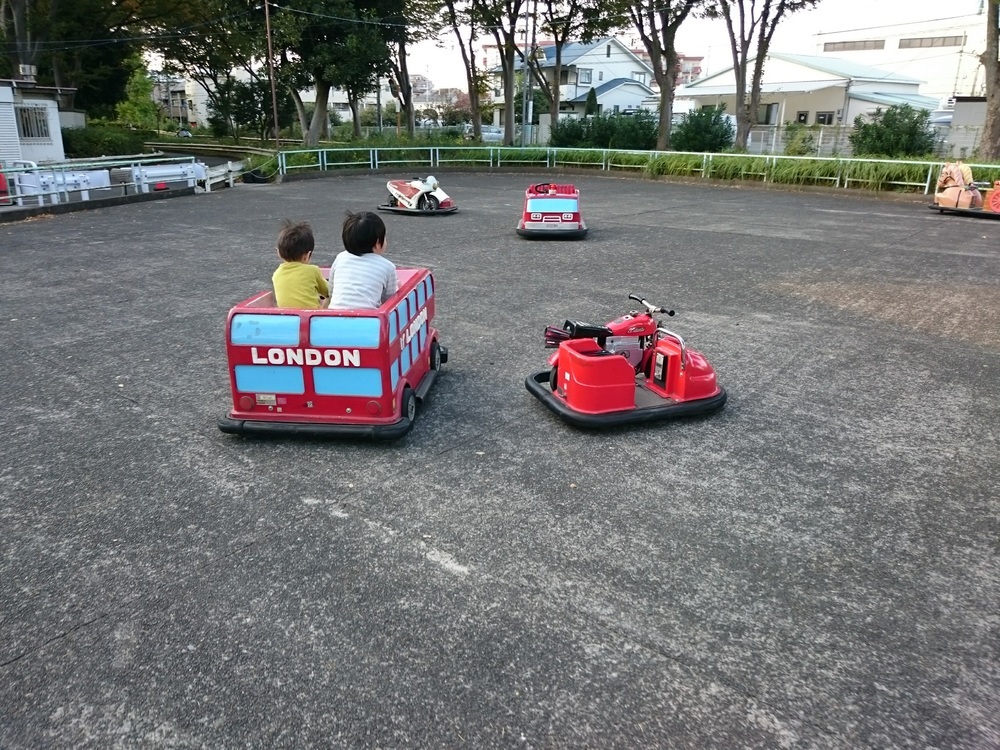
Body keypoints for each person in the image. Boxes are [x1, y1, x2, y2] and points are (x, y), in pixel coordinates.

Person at [328, 210, 398, 310]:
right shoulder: (387, 267)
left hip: (334, 317)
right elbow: (391, 302)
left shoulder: (340, 258)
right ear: (378, 242)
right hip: (368, 320)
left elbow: (331, 291)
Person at [272, 219, 329, 309]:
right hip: (312, 317)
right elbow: (328, 291)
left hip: (287, 317)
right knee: (333, 294)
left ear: (278, 253)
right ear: (307, 255)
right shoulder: (312, 270)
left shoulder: (277, 274)